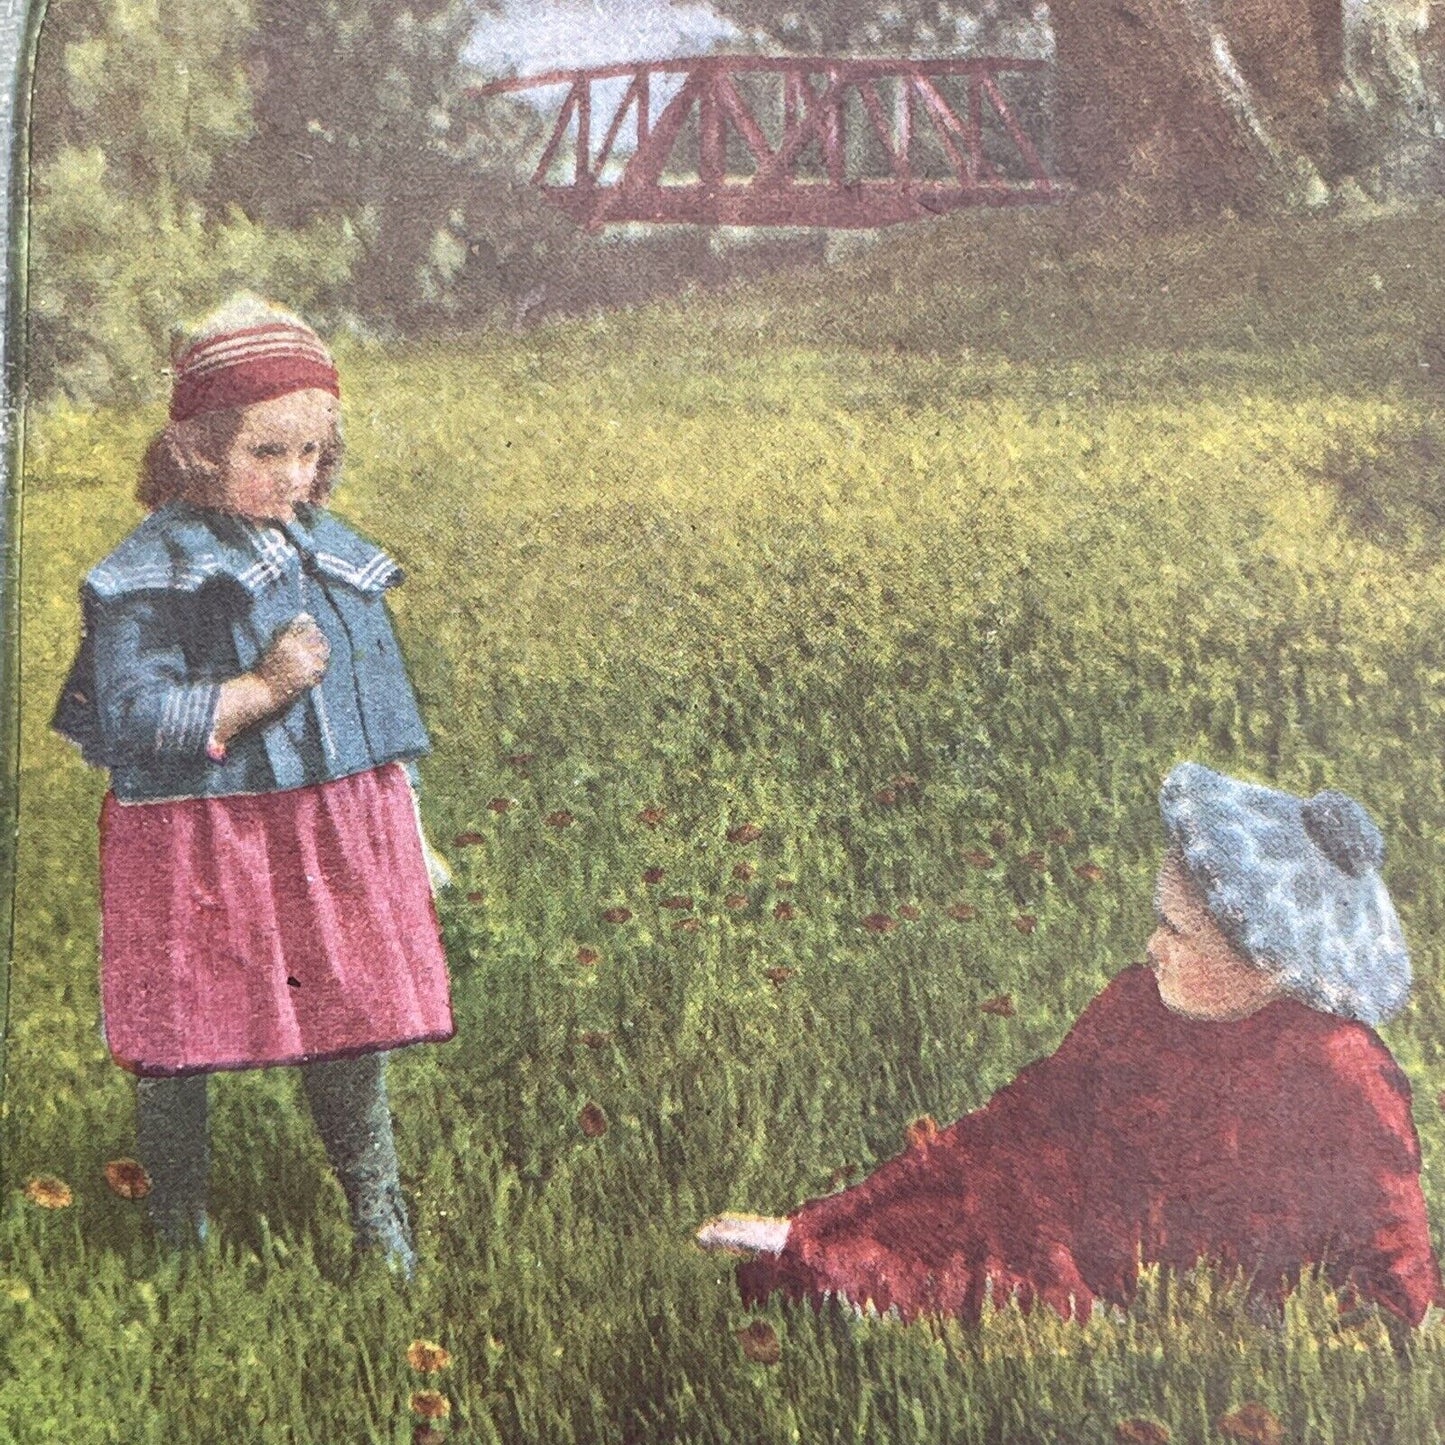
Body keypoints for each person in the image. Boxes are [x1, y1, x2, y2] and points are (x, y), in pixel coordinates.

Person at [698, 763, 1443, 1328]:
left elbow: (1396, 1261)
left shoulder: (1340, 1071)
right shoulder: (1133, 1005)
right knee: (856, 1246)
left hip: (1148, 1286)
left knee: (918, 1286)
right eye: (1158, 920)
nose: (1152, 947)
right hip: (1053, 1224)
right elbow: (1011, 1123)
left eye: (1177, 932)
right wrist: (827, 1216)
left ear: (1267, 962)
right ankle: (816, 1252)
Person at [53, 295, 455, 1276]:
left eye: (311, 452)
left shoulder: (334, 553)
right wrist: (261, 688)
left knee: (346, 1017)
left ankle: (379, 1222)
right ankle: (175, 1238)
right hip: (195, 835)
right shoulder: (145, 575)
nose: (295, 476)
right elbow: (136, 718)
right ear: (196, 450)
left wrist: (407, 821)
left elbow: (373, 700)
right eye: (268, 452)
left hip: (327, 822)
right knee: (179, 1033)